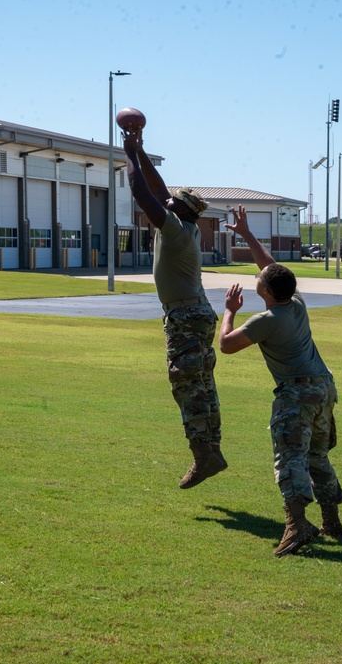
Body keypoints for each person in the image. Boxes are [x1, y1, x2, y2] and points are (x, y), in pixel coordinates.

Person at [219, 205, 342, 557]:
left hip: (298, 394)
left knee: (290, 457)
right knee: (317, 457)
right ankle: (331, 521)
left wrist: (229, 310)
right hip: (324, 388)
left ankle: (297, 525)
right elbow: (270, 267)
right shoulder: (296, 303)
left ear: (267, 292)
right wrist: (246, 235)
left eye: (261, 279)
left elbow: (226, 346)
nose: (259, 276)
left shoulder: (267, 319)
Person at [121, 121, 226, 489]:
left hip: (184, 315)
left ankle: (203, 455)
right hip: (196, 312)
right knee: (202, 381)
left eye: (172, 202)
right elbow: (158, 189)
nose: (166, 200)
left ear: (180, 211)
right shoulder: (190, 226)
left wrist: (131, 155)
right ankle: (212, 449)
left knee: (185, 383)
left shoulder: (177, 229)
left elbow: (142, 193)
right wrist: (141, 149)